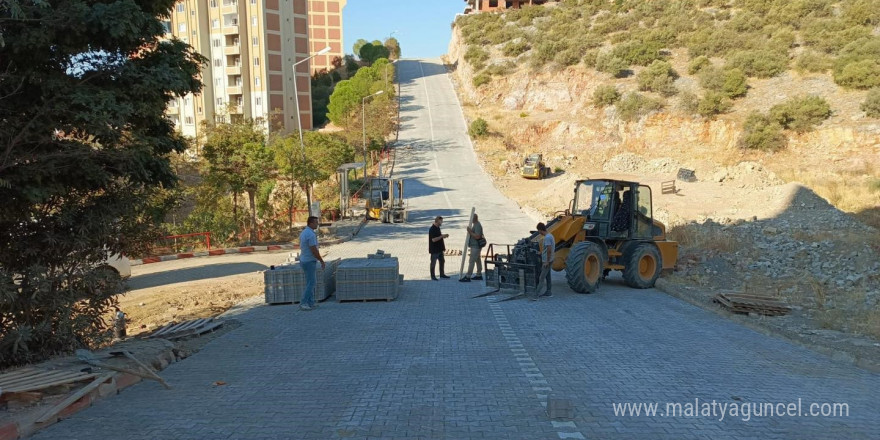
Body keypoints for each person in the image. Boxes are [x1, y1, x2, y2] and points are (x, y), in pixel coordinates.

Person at [299, 216, 325, 311]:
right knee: (312, 282)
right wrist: (321, 261)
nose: (317, 224)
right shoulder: (310, 234)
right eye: (315, 222)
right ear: (310, 223)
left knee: (309, 282)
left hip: (304, 260)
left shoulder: (304, 232)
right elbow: (314, 250)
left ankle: (310, 302)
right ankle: (303, 303)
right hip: (309, 261)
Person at [461, 213, 484, 282]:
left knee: (471, 261)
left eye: (472, 219)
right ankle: (479, 274)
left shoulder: (477, 225)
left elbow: (477, 236)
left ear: (474, 218)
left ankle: (468, 276)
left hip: (476, 246)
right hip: (475, 246)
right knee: (477, 259)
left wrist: (470, 231)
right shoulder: (476, 224)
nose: (471, 220)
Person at [535, 222, 555, 298]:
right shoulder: (550, 236)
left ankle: (536, 295)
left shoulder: (547, 238)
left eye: (538, 231)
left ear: (540, 230)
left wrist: (547, 261)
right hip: (550, 259)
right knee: (548, 276)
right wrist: (541, 252)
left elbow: (549, 250)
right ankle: (549, 292)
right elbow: (547, 249)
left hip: (547, 261)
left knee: (541, 277)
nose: (539, 233)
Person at [428, 216, 450, 280]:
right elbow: (433, 240)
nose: (442, 222)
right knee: (433, 263)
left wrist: (443, 236)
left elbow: (439, 236)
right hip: (434, 250)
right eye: (441, 221)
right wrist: (441, 236)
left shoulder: (438, 228)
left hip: (440, 249)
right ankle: (433, 276)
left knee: (442, 261)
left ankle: (442, 274)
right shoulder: (432, 229)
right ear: (437, 221)